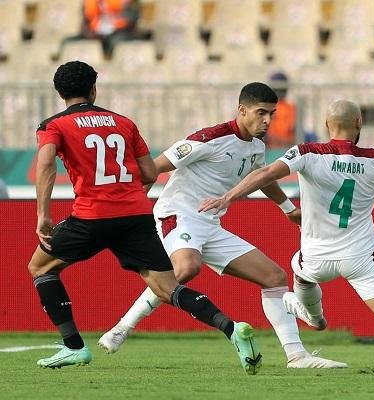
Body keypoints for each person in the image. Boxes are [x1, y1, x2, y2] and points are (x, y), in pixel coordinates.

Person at [28, 61, 261, 374]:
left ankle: (73, 347)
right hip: (136, 215)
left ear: (59, 93)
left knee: (40, 267)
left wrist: (43, 215)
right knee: (167, 289)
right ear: (94, 89)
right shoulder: (123, 122)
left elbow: (45, 166)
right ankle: (232, 329)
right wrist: (125, 199)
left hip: (90, 216)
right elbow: (149, 172)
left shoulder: (53, 125)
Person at [97, 82, 346, 369]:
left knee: (275, 276)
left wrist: (288, 209)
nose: (267, 121)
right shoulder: (209, 138)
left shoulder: (255, 146)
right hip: (178, 212)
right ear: (242, 110)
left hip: (210, 222)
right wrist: (125, 204)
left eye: (272, 114)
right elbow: (152, 168)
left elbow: (261, 176)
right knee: (187, 268)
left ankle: (297, 356)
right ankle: (121, 329)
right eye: (260, 113)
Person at [200, 99, 374, 373]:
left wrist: (228, 196)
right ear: (359, 123)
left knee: (299, 270)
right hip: (363, 257)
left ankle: (314, 317)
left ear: (327, 125)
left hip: (316, 258)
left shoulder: (307, 153)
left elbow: (266, 173)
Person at [265, 72, 298, 149]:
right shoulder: (266, 108)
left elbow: (295, 131)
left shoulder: (292, 108)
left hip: (288, 147)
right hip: (270, 147)